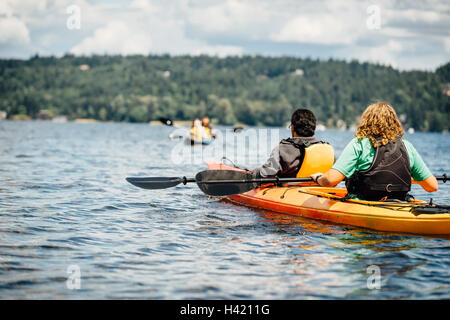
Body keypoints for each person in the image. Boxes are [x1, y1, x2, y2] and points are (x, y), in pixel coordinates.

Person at [311, 102, 438, 201]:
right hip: (399, 204)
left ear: (366, 122)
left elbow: (330, 181)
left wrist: (318, 178)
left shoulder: (359, 144)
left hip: (364, 204)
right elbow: (432, 186)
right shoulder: (407, 146)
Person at [252, 109, 335, 178]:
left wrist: (254, 172)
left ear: (293, 127)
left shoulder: (282, 149)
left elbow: (267, 173)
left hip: (289, 192)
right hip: (320, 191)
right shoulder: (327, 150)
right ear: (314, 127)